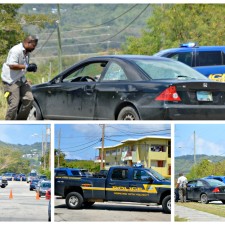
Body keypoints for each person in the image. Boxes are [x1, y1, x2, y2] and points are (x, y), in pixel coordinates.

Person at [1, 35, 38, 120]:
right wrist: (27, 67)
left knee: (29, 99)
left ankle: (20, 121)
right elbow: (12, 65)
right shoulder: (16, 50)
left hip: (21, 80)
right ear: (28, 42)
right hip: (11, 81)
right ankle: (8, 124)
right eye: (33, 45)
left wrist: (26, 76)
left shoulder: (27, 53)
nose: (34, 48)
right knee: (14, 105)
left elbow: (22, 67)